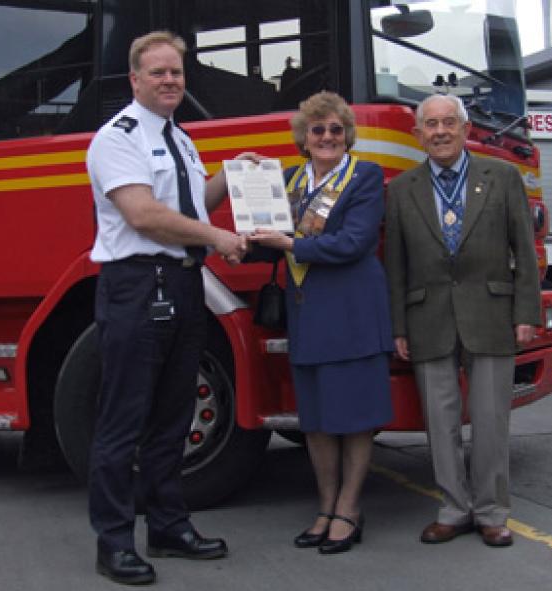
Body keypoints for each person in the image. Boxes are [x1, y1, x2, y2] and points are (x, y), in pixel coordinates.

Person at [86, 31, 257, 585]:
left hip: (184, 283)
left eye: (176, 72)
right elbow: (143, 215)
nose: (169, 81)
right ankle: (114, 542)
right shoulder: (117, 138)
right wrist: (218, 237)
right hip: (137, 286)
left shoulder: (180, 138)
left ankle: (167, 526)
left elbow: (188, 205)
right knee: (123, 421)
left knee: (172, 418)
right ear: (135, 79)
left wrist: (230, 177)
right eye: (157, 72)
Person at [384, 94, 541, 548]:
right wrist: (399, 326)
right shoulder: (402, 189)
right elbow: (396, 265)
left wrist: (526, 313)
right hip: (427, 317)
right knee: (440, 422)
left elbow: (524, 252)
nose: (440, 132)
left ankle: (491, 512)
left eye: (448, 122)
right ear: (418, 135)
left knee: (491, 419)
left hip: (492, 313)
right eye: (431, 125)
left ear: (466, 129)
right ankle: (453, 509)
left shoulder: (503, 177)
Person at [249, 91, 394, 555]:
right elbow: (268, 239)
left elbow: (354, 242)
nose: (328, 136)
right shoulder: (289, 180)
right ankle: (326, 506)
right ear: (304, 137)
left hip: (352, 313)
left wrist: (289, 244)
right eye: (318, 130)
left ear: (347, 135)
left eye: (336, 129)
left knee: (354, 419)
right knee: (314, 420)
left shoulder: (364, 176)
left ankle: (349, 508)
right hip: (308, 315)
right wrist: (248, 196)